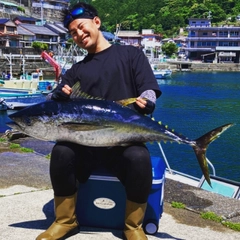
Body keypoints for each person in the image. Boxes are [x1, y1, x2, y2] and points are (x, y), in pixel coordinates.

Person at [36, 2, 161, 240]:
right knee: (61, 152)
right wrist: (58, 95)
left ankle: (133, 227)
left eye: (82, 28)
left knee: (139, 157)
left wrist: (148, 101)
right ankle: (65, 220)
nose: (79, 35)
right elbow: (55, 97)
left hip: (122, 141)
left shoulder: (130, 55)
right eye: (73, 33)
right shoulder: (76, 70)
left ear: (96, 22)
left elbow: (148, 89)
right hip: (85, 143)